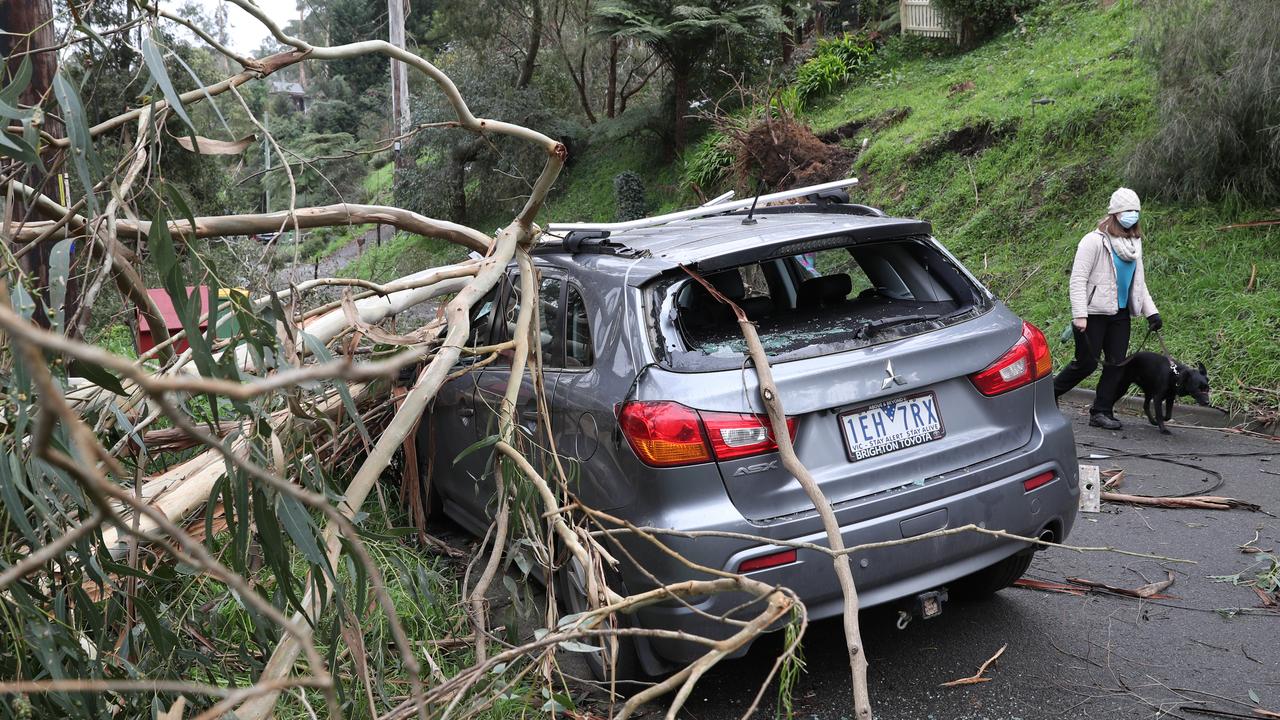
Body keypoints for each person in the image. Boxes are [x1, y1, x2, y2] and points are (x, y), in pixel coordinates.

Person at [1053, 187, 1162, 429]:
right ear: (1115, 214)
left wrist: (1151, 312)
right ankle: (1049, 395)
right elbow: (1078, 278)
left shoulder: (1134, 245)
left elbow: (1138, 283)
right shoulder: (1093, 241)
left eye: (1135, 211)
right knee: (1086, 364)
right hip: (1092, 314)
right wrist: (1080, 315)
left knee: (1117, 364)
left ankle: (1101, 411)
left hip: (1120, 314)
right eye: (1127, 211)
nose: (1131, 215)